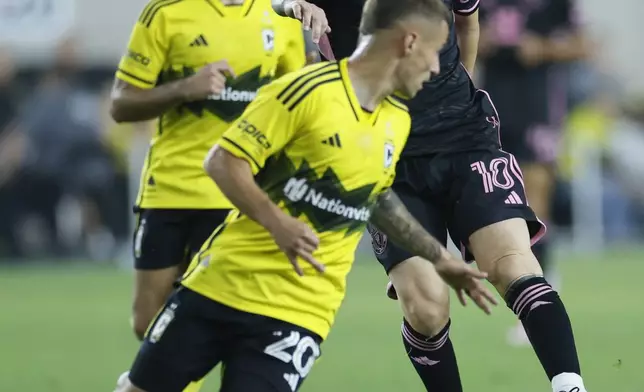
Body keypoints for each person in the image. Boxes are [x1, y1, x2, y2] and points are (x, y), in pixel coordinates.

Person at [114, 0, 498, 391]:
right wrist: (278, 223)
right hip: (223, 285)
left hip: (300, 313)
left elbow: (377, 198)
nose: (438, 67)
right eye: (434, 53)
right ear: (408, 43)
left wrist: (440, 257)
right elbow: (222, 162)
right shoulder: (307, 91)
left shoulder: (396, 123)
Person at [274, 1, 590, 391]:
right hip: (383, 149)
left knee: (513, 265)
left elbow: (467, 24)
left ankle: (570, 385)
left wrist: (456, 98)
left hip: (464, 138)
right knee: (426, 305)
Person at [110, 0, 309, 390]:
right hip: (170, 189)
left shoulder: (279, 18)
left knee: (225, 318)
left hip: (237, 197)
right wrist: (185, 87)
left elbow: (297, 108)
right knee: (147, 322)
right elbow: (120, 104)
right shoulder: (166, 12)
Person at [477, 0, 590, 346]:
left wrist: (543, 48)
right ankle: (529, 289)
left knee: (535, 201)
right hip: (491, 107)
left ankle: (541, 295)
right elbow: (457, 35)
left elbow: (583, 45)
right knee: (505, 206)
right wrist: (486, 42)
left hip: (538, 104)